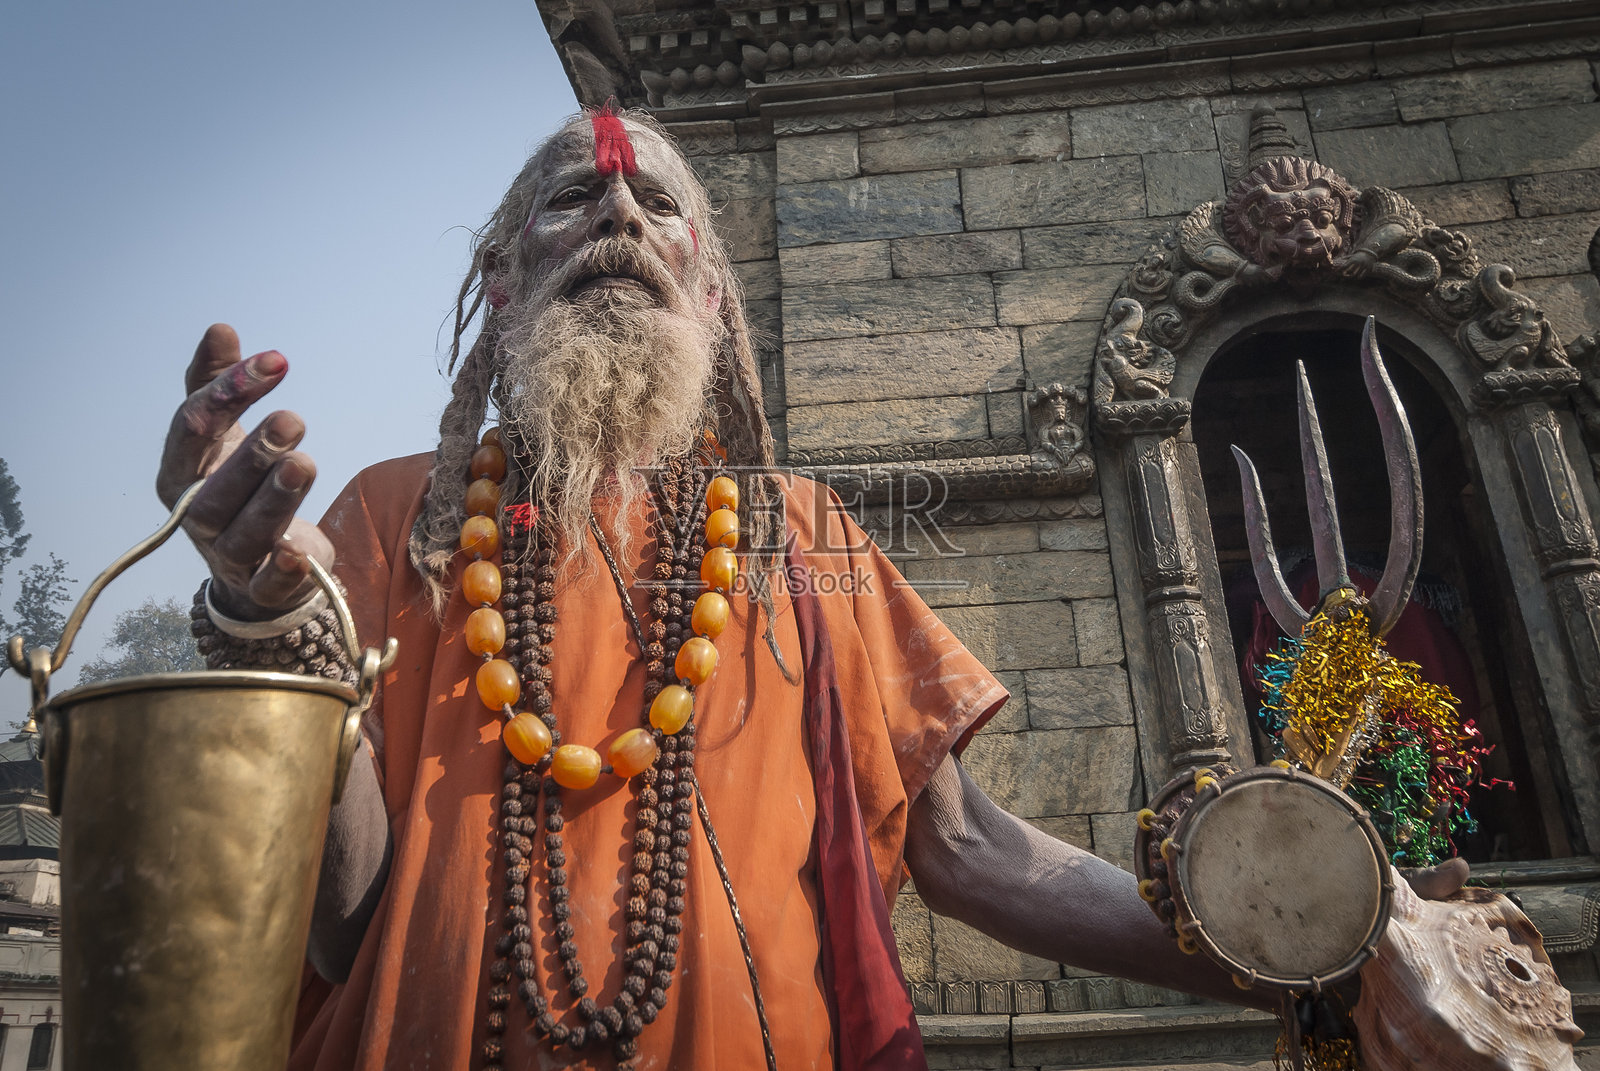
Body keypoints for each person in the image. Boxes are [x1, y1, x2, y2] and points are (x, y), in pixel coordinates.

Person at [156, 106, 1459, 1071]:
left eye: (662, 207)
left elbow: (971, 849)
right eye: (571, 200)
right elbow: (344, 928)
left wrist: (1290, 944)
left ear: (714, 297)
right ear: (501, 286)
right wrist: (275, 623)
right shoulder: (400, 520)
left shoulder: (807, 533)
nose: (620, 213)